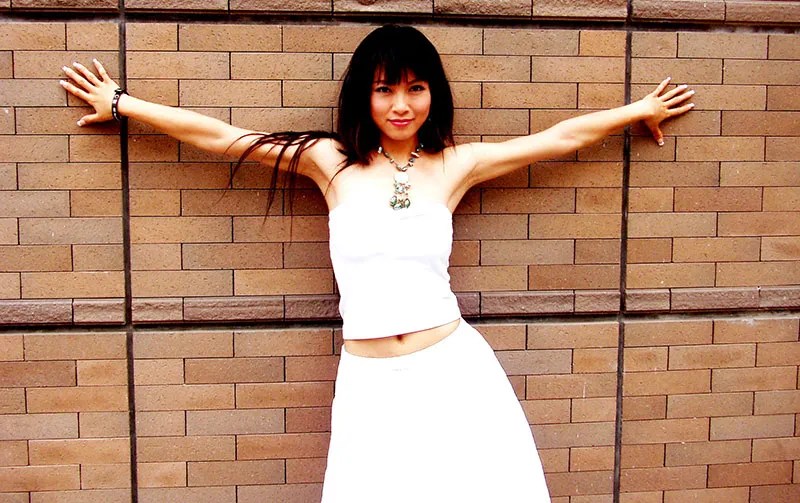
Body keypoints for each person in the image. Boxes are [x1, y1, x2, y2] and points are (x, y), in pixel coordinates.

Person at [60, 24, 694, 503]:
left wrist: (637, 111)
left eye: (415, 88)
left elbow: (556, 139)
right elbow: (223, 137)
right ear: (364, 95)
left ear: (433, 94)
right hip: (370, 383)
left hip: (452, 371)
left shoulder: (456, 164)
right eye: (385, 88)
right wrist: (123, 104)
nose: (401, 104)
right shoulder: (329, 161)